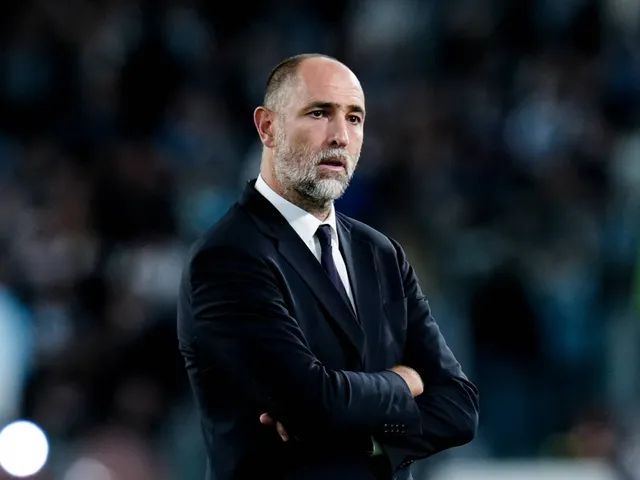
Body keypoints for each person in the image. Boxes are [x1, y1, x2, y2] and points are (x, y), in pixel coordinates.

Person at [177, 53, 479, 480]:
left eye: (354, 118)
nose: (340, 136)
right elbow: (312, 402)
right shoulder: (227, 257)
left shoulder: (382, 254)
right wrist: (405, 382)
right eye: (319, 113)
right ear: (267, 127)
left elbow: (460, 407)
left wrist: (370, 439)